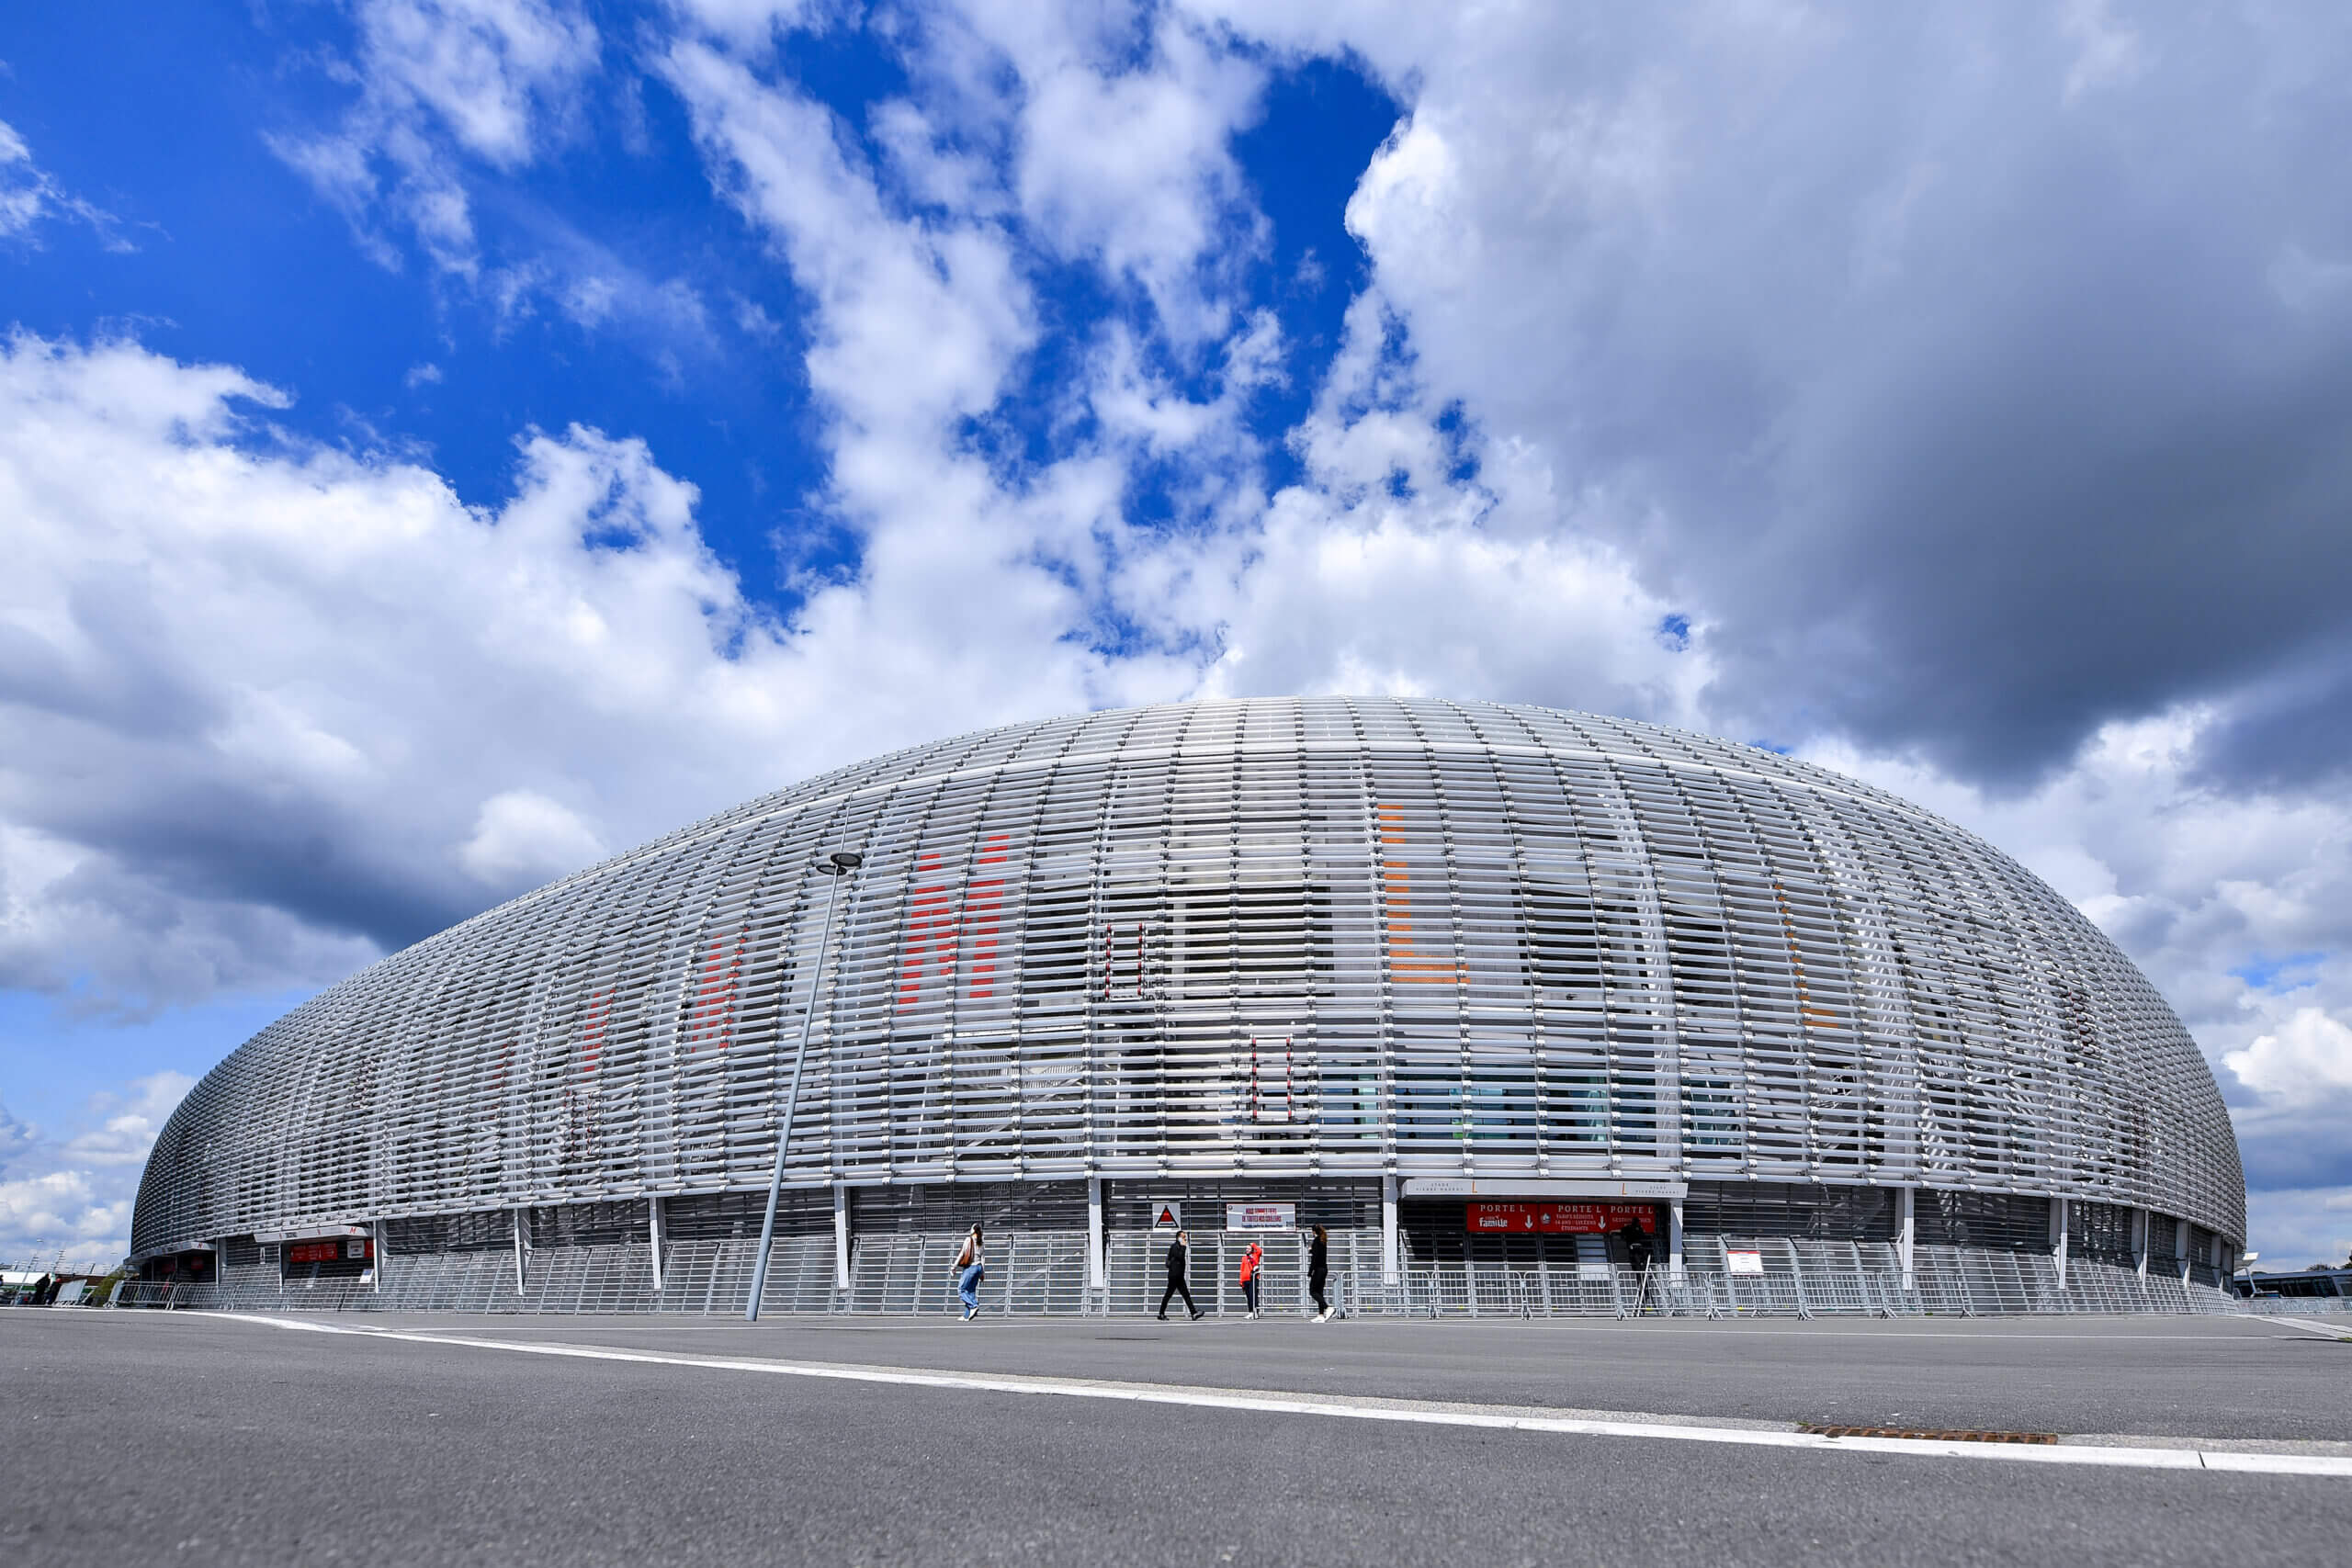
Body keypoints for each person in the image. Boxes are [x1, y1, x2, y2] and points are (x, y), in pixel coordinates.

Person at [1158, 1228, 1203, 1320]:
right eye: (1183, 1237)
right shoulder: (1175, 1247)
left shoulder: (1178, 1246)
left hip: (1178, 1276)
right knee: (1169, 1295)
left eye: (1185, 1237)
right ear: (1178, 1238)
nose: (1185, 1239)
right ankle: (1161, 1313)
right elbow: (1180, 1257)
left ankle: (1193, 1313)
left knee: (1185, 1294)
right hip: (1175, 1276)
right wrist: (1183, 1246)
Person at [954, 1224, 985, 1322]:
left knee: (961, 1289)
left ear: (972, 1230)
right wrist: (982, 1272)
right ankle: (967, 1315)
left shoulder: (968, 1239)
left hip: (971, 1267)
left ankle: (973, 1306)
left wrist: (954, 1266)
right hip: (979, 1267)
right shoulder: (981, 1242)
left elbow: (962, 1253)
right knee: (970, 1291)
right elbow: (983, 1258)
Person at [1307, 1224, 1333, 1322]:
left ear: (1314, 1231)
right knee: (1319, 1292)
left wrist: (1310, 1271)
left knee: (1313, 1291)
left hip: (1318, 1269)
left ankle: (1327, 1308)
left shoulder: (1317, 1241)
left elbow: (1315, 1258)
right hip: (1324, 1269)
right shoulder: (1323, 1241)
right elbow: (1319, 1254)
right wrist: (1312, 1251)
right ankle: (1321, 1315)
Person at [1238, 1238, 1263, 1318]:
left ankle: (1255, 1311)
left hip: (1253, 1278)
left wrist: (1253, 1245)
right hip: (1245, 1279)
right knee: (1248, 1296)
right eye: (1246, 1248)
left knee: (1253, 1295)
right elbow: (1242, 1269)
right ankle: (1250, 1311)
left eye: (1249, 1248)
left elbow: (1260, 1251)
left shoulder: (1255, 1256)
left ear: (1252, 1249)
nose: (1247, 1250)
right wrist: (1241, 1281)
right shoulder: (1243, 1258)